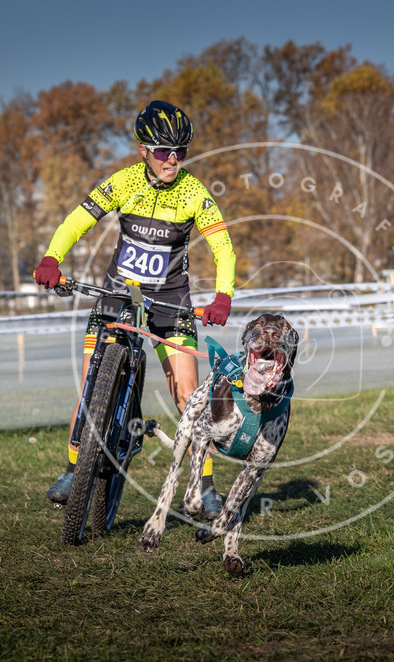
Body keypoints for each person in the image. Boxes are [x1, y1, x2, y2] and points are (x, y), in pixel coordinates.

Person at [33, 100, 235, 519]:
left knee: (187, 396)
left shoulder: (194, 192)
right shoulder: (123, 182)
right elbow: (76, 222)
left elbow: (223, 248)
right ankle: (74, 469)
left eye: (181, 151)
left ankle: (206, 485)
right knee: (90, 382)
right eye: (164, 152)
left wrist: (223, 295)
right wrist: (53, 258)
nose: (173, 160)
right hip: (115, 297)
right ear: (143, 149)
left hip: (170, 302)